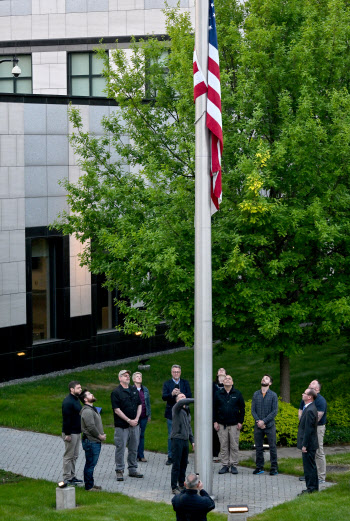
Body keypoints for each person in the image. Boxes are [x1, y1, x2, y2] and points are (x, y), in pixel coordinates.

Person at [111, 369, 143, 481]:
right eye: (125, 376)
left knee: (134, 448)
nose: (127, 377)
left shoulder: (134, 390)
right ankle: (119, 470)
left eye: (128, 376)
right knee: (120, 447)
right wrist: (129, 420)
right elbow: (117, 410)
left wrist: (137, 419)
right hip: (122, 426)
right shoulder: (116, 392)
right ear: (120, 378)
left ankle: (133, 469)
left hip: (135, 425)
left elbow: (140, 405)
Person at [213, 375, 245, 475]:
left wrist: (240, 421)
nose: (227, 380)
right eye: (225, 379)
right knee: (223, 445)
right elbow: (214, 409)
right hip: (222, 424)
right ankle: (225, 465)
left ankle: (234, 465)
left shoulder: (237, 393)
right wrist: (215, 422)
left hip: (234, 424)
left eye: (229, 379)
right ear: (223, 382)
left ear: (232, 382)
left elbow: (242, 409)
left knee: (234, 445)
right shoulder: (218, 394)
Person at [298, 379, 327, 483]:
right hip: (306, 427)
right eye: (310, 382)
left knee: (318, 451)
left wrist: (307, 425)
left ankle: (321, 477)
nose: (310, 383)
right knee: (307, 451)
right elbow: (300, 411)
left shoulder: (321, 401)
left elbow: (317, 418)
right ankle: (309, 475)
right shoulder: (305, 398)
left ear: (317, 389)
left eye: (313, 383)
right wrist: (304, 425)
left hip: (318, 428)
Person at [162, 364, 192, 465]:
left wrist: (180, 394)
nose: (176, 373)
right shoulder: (167, 383)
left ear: (180, 372)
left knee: (185, 434)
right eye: (174, 372)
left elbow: (189, 396)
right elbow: (164, 397)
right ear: (171, 372)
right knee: (172, 435)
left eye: (178, 372)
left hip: (183, 413)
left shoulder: (184, 383)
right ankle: (171, 456)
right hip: (172, 414)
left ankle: (184, 456)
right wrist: (172, 394)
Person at [251, 374, 278, 475]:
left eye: (266, 378)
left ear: (270, 383)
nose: (264, 379)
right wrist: (259, 421)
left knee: (272, 447)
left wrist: (264, 421)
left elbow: (274, 411)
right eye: (263, 377)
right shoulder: (256, 394)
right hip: (258, 426)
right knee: (258, 447)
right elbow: (253, 410)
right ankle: (259, 467)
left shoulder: (273, 395)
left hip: (269, 425)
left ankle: (274, 467)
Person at [79, 389, 106, 491]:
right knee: (90, 464)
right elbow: (90, 427)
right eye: (90, 394)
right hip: (91, 441)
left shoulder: (92, 409)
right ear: (86, 399)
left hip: (94, 441)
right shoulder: (87, 411)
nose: (92, 394)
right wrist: (100, 436)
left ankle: (91, 483)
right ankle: (89, 486)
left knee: (91, 464)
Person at [170, 393, 195, 494]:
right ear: (177, 400)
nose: (184, 398)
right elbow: (182, 402)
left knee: (184, 463)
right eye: (181, 397)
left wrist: (192, 441)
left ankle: (181, 484)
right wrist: (197, 399)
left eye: (185, 396)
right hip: (177, 439)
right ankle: (174, 487)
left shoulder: (187, 411)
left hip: (185, 440)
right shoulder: (176, 408)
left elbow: (189, 427)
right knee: (176, 463)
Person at [297, 388, 319, 494]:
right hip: (310, 443)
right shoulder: (309, 408)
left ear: (309, 397)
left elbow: (308, 430)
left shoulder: (310, 410)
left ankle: (311, 488)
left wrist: (304, 445)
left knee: (309, 467)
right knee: (311, 466)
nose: (303, 394)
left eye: (304, 393)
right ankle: (314, 487)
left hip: (309, 444)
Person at [61, 380, 83, 485]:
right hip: (71, 433)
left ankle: (72, 476)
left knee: (75, 455)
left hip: (77, 432)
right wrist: (67, 434)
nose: (80, 389)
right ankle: (67, 477)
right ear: (72, 389)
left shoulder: (76, 400)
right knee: (68, 455)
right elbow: (66, 419)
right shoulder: (68, 402)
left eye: (80, 387)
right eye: (78, 388)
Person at [132, 371, 151, 462]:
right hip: (135, 416)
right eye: (137, 376)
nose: (139, 378)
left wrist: (149, 414)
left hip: (144, 416)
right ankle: (134, 455)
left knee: (141, 435)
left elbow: (148, 403)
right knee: (134, 436)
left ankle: (141, 455)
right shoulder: (131, 389)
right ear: (134, 379)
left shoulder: (145, 389)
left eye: (140, 376)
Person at [213, 368, 226, 462]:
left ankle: (225, 455)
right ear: (217, 374)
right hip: (214, 412)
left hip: (225, 413)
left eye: (223, 370)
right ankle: (215, 454)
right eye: (219, 370)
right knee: (214, 434)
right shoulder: (213, 385)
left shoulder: (228, 385)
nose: (221, 371)